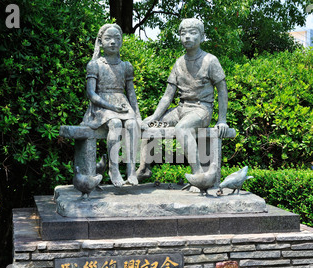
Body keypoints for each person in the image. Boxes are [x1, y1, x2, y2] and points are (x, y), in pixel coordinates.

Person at [136, 18, 229, 182]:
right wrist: (154, 117)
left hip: (201, 110)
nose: (187, 37)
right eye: (183, 33)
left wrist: (222, 119)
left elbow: (222, 90)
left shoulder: (210, 61)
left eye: (192, 33)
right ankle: (144, 168)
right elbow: (167, 96)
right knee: (148, 125)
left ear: (202, 37)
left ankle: (199, 174)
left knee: (182, 129)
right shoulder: (179, 62)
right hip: (180, 109)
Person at [81, 24, 141, 187]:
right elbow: (91, 94)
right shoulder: (95, 65)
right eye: (108, 38)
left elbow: (131, 93)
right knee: (115, 123)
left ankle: (131, 170)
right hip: (102, 107)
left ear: (121, 42)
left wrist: (137, 115)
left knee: (131, 124)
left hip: (122, 104)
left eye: (117, 38)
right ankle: (113, 169)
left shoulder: (126, 66)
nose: (113, 42)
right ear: (100, 42)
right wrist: (112, 107)